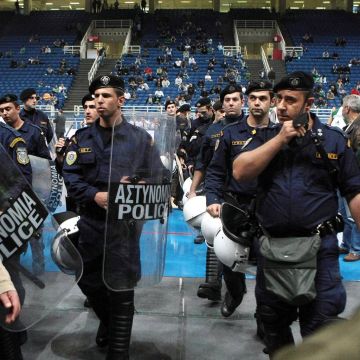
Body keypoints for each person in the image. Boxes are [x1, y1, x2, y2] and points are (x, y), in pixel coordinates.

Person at [233, 71, 360, 357]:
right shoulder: (263, 137)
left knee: (320, 326)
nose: (281, 106)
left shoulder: (333, 141)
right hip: (273, 250)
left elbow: (353, 191)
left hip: (320, 252)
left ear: (308, 104)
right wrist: (280, 139)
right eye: (279, 99)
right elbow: (240, 171)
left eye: (290, 100)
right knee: (273, 326)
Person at [62, 75, 165, 359]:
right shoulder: (81, 139)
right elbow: (70, 176)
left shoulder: (140, 139)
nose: (98, 100)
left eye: (106, 95)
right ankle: (109, 322)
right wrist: (95, 195)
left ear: (121, 100)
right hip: (92, 223)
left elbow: (157, 174)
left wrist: (138, 187)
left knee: (121, 287)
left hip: (124, 227)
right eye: (96, 95)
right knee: (88, 282)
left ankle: (119, 350)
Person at [206, 82, 274, 320]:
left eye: (263, 98)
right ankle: (235, 293)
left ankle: (264, 318)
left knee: (267, 263)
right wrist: (212, 199)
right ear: (249, 101)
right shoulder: (231, 133)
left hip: (268, 207)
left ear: (271, 101)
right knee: (230, 258)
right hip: (236, 205)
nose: (258, 103)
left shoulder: (278, 135)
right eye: (254, 98)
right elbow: (215, 171)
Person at [338, 94, 360, 261]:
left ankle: (356, 248)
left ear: (347, 109)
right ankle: (346, 244)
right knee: (346, 214)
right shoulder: (352, 126)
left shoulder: (358, 127)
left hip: (354, 177)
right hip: (348, 176)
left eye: (343, 106)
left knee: (353, 215)